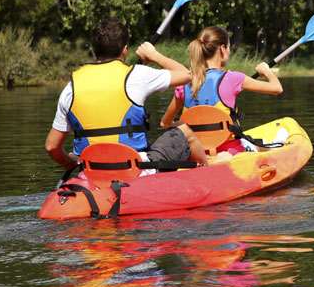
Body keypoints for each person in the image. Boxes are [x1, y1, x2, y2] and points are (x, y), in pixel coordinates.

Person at [45, 17, 208, 175]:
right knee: (182, 128)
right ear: (125, 50)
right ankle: (208, 172)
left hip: (92, 171)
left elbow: (52, 147)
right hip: (135, 169)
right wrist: (153, 55)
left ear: (94, 52)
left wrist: (71, 163)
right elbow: (186, 75)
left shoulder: (70, 88)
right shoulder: (138, 75)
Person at [159, 26, 282, 159]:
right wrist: (267, 71)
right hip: (231, 151)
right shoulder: (233, 79)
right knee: (269, 144)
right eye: (228, 48)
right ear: (222, 49)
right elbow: (277, 89)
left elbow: (165, 124)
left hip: (196, 154)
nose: (229, 52)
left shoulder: (183, 83)